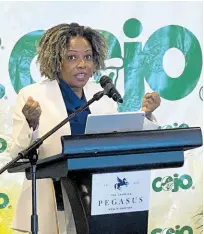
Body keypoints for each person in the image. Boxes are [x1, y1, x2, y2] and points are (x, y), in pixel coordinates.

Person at [10, 23, 161, 234]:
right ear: (56, 60)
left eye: (88, 57)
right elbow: (18, 153)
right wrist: (31, 123)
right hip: (52, 201)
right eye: (72, 57)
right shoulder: (33, 96)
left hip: (99, 199)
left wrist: (145, 114)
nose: (82, 64)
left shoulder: (102, 97)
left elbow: (119, 143)